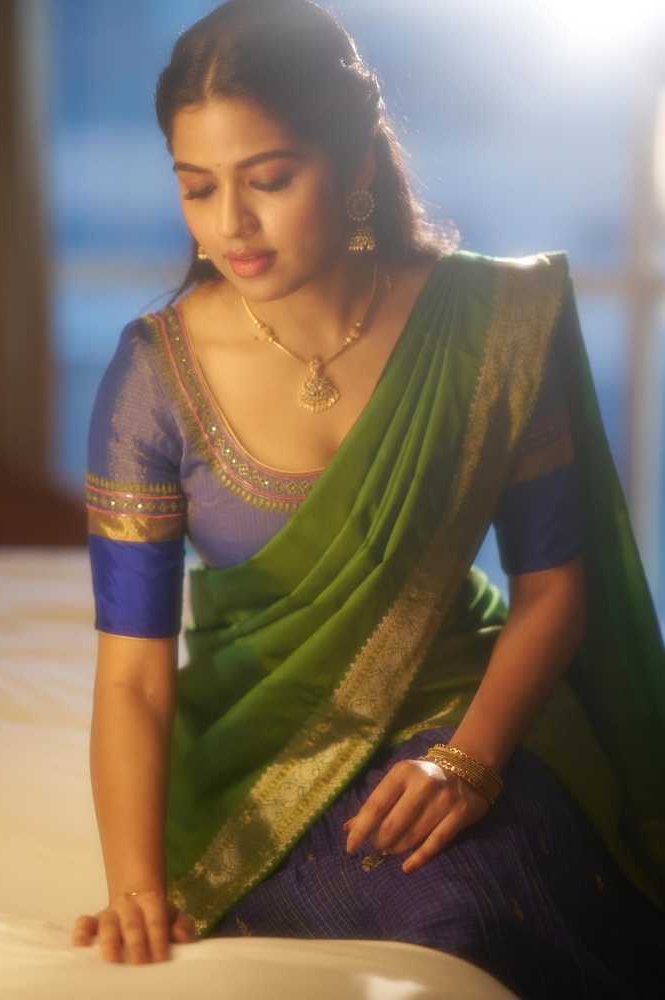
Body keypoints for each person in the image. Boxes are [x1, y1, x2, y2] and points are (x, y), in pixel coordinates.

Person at [71, 1, 665, 994]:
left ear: (353, 165)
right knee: (416, 922)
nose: (231, 224)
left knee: (488, 908)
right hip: (262, 749)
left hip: (469, 709)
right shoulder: (154, 375)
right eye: (197, 187)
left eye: (268, 180)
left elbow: (554, 589)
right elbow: (132, 674)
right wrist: (135, 885)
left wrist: (467, 764)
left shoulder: (493, 326)